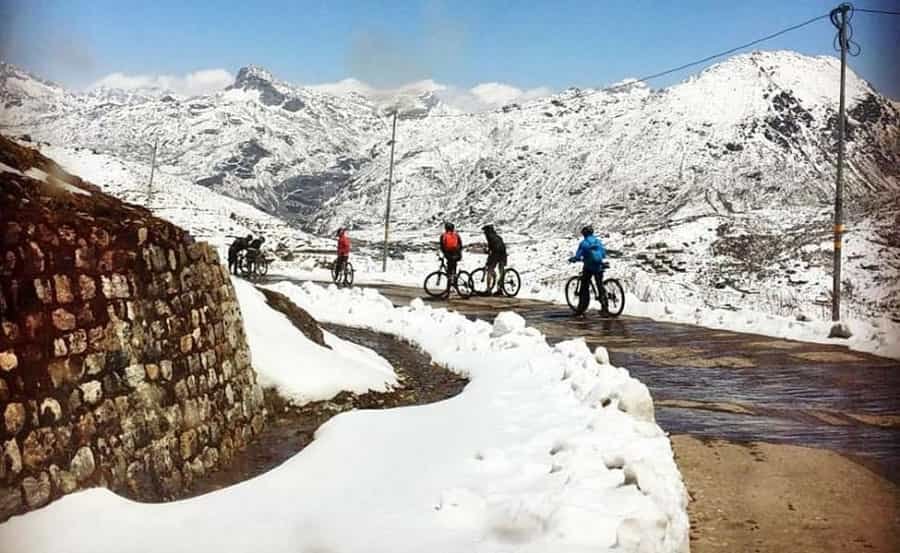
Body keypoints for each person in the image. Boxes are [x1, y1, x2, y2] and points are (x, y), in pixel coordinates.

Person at [568, 225, 609, 316]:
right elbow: (603, 253)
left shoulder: (584, 243)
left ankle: (581, 308)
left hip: (589, 267)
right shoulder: (598, 241)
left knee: (584, 286)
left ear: (584, 234)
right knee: (600, 285)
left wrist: (574, 259)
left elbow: (578, 256)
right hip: (599, 265)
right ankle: (605, 307)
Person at [482, 224, 507, 295]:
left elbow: (492, 249)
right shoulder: (498, 237)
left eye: (485, 232)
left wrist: (488, 253)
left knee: (490, 270)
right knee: (501, 271)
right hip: (503, 254)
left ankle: (488, 290)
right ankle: (500, 289)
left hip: (496, 254)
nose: (484, 233)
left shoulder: (490, 237)